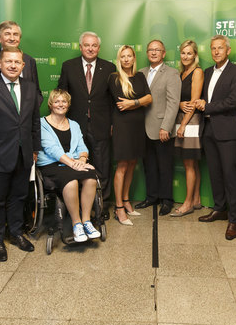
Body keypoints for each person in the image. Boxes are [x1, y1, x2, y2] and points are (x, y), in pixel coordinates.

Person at [0, 47, 42, 262]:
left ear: (23, 65)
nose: (13, 65)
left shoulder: (30, 88)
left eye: (17, 62)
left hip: (24, 155)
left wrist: (34, 150)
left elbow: (33, 122)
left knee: (19, 197)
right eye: (8, 61)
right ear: (0, 64)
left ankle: (17, 233)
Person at [194, 35, 236, 240]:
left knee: (230, 175)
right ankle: (219, 208)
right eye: (213, 48)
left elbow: (233, 101)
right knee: (214, 173)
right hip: (208, 130)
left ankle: (234, 219)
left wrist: (207, 106)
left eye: (220, 48)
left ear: (228, 50)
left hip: (227, 131)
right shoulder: (206, 72)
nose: (216, 52)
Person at [58, 31, 116, 202]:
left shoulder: (109, 68)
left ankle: (102, 204)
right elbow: (62, 95)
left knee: (103, 166)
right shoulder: (68, 66)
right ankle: (78, 203)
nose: (90, 48)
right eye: (87, 45)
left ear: (99, 48)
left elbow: (113, 100)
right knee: (77, 166)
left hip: (101, 126)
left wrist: (112, 124)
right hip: (75, 126)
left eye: (94, 45)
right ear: (80, 47)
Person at [36, 89, 101, 242]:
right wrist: (74, 164)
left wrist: (83, 161)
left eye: (64, 101)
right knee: (71, 181)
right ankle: (76, 224)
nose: (61, 104)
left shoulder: (74, 124)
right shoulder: (41, 123)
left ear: (68, 105)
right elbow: (52, 149)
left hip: (73, 163)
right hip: (51, 164)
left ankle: (87, 222)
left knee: (91, 177)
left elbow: (82, 147)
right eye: (57, 101)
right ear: (51, 104)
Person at [135, 40, 181, 215]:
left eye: (157, 50)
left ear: (163, 53)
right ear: (147, 53)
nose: (153, 52)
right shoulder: (141, 73)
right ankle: (151, 197)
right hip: (143, 129)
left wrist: (166, 127)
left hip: (162, 128)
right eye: (150, 50)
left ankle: (167, 200)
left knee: (165, 166)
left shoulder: (171, 73)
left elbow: (173, 102)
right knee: (149, 166)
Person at [108, 45, 152, 225]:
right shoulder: (114, 77)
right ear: (119, 59)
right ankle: (118, 207)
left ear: (134, 58)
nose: (126, 59)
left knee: (133, 162)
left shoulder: (140, 76)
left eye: (129, 56)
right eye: (123, 56)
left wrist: (134, 102)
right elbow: (121, 104)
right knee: (123, 165)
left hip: (137, 125)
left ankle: (126, 200)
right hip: (123, 125)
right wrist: (139, 102)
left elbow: (149, 99)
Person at [171, 40, 204, 217]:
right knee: (193, 163)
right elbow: (180, 100)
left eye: (189, 53)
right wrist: (179, 104)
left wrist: (183, 125)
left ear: (195, 55)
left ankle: (187, 203)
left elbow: (193, 102)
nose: (185, 56)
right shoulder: (182, 73)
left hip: (190, 122)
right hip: (182, 120)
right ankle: (196, 199)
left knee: (189, 163)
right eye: (183, 53)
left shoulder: (197, 72)